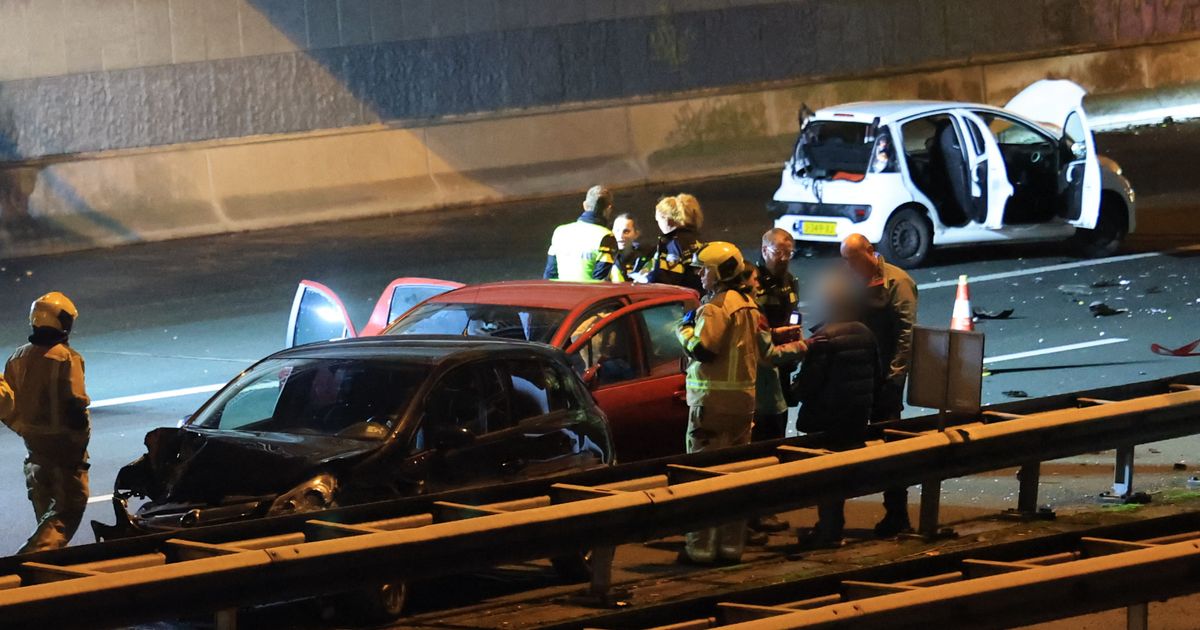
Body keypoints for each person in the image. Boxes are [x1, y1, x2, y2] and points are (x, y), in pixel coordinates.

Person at [675, 242, 807, 564]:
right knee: (735, 479)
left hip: (711, 404)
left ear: (720, 272)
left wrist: (683, 329)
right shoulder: (750, 305)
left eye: (705, 269)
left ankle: (700, 549)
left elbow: (703, 349)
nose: (701, 275)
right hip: (742, 406)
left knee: (702, 479)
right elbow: (767, 355)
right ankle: (731, 547)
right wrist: (803, 346)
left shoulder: (715, 307)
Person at [839, 233, 918, 537]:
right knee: (844, 446)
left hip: (884, 380)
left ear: (870, 253)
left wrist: (895, 377)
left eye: (853, 259)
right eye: (845, 260)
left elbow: (905, 334)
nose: (848, 266)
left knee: (890, 449)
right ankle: (833, 522)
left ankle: (897, 514)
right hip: (857, 378)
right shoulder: (849, 281)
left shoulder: (898, 283)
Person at [791, 283, 880, 549]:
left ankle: (829, 529)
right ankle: (832, 527)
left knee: (827, 476)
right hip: (855, 417)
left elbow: (810, 383)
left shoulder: (824, 338)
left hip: (827, 418)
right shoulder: (866, 333)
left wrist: (792, 392)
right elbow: (877, 373)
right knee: (840, 475)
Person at [3, 292, 91, 553]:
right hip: (64, 450)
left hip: (35, 450)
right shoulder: (66, 358)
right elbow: (76, 404)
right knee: (65, 514)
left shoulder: (17, 358)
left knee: (46, 517)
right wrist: (79, 440)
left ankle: (48, 575)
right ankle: (24, 566)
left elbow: (9, 401)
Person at [746, 228, 801, 539]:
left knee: (776, 439)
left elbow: (792, 317)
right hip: (762, 371)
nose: (785, 259)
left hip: (782, 366)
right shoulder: (755, 283)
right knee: (760, 444)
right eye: (780, 253)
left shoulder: (790, 282)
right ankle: (756, 511)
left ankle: (767, 507)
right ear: (765, 250)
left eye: (790, 253)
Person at [544, 185, 626, 283]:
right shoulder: (606, 237)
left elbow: (549, 275)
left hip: (562, 295)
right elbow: (600, 280)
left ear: (585, 205)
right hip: (588, 296)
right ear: (608, 208)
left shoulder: (560, 232)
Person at [644, 195, 704, 292]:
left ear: (667, 219)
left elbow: (666, 280)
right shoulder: (697, 238)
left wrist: (648, 279)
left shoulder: (673, 244)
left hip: (683, 301)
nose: (658, 224)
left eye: (658, 220)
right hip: (701, 296)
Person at [612, 212, 653, 280]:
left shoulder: (642, 260)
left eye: (626, 231)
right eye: (617, 230)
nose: (621, 236)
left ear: (636, 234)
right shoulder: (606, 256)